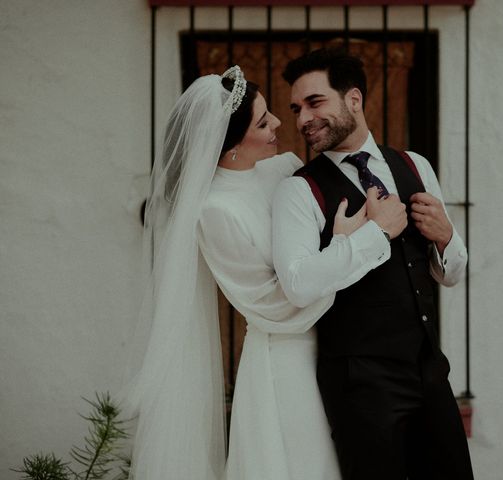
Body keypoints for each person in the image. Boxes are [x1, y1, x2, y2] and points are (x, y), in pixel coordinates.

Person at [122, 66, 364, 480]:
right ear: (231, 144)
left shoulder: (285, 168)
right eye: (262, 121)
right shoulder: (216, 211)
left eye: (270, 113)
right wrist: (344, 249)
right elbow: (270, 304)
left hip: (342, 347)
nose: (276, 124)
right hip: (286, 358)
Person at [272, 47, 474, 479]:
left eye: (314, 102)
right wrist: (375, 233)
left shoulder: (414, 165)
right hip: (360, 385)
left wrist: (446, 237)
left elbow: (451, 273)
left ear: (354, 100)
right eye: (295, 108)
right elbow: (298, 284)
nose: (302, 118)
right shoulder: (299, 191)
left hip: (429, 372)